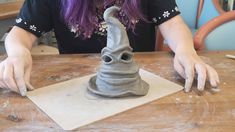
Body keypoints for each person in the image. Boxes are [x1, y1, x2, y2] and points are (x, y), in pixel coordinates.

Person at [0, 0, 219, 96]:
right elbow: (22, 32)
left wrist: (185, 51)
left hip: (136, 80)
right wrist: (18, 54)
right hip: (75, 85)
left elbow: (173, 23)